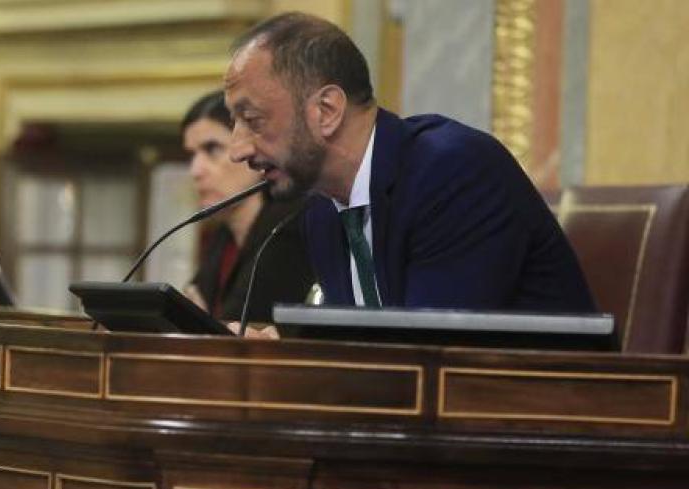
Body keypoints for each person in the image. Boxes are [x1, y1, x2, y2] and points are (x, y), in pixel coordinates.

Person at [223, 12, 595, 316]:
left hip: (546, 402)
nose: (237, 150)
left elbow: (429, 357)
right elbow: (358, 351)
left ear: (327, 110)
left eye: (253, 120)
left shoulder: (453, 173)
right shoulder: (321, 211)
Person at [180, 90, 316, 322]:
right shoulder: (221, 239)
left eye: (212, 149)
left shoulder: (289, 229)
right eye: (192, 155)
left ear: (253, 150)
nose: (196, 170)